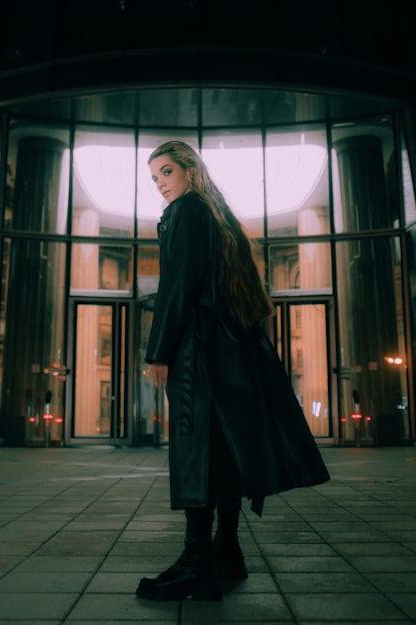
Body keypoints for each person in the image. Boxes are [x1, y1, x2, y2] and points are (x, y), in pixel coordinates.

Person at [136, 141, 330, 602]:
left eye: (166, 172)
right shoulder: (218, 215)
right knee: (222, 449)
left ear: (190, 170)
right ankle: (225, 550)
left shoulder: (186, 212)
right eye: (154, 177)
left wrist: (159, 351)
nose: (160, 183)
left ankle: (196, 564)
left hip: (200, 349)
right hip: (230, 348)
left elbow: (177, 285)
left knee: (197, 450)